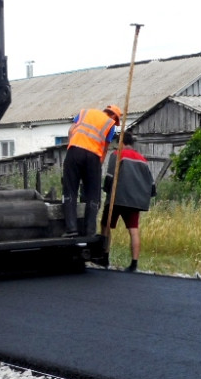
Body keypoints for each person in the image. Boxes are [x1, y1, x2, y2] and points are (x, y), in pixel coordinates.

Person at [62, 104, 121, 237]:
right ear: (113, 115)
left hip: (75, 151)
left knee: (70, 190)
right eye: (116, 119)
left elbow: (71, 131)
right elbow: (105, 149)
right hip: (93, 157)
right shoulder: (110, 124)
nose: (115, 122)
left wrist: (72, 150)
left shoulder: (84, 112)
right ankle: (90, 231)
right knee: (93, 194)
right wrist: (97, 166)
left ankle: (71, 229)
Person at [101, 131, 156, 272]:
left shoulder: (117, 155)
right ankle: (134, 264)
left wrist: (107, 191)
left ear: (121, 143)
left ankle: (104, 259)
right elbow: (152, 185)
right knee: (133, 230)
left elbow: (109, 177)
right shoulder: (143, 159)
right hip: (135, 201)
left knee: (106, 227)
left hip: (116, 199)